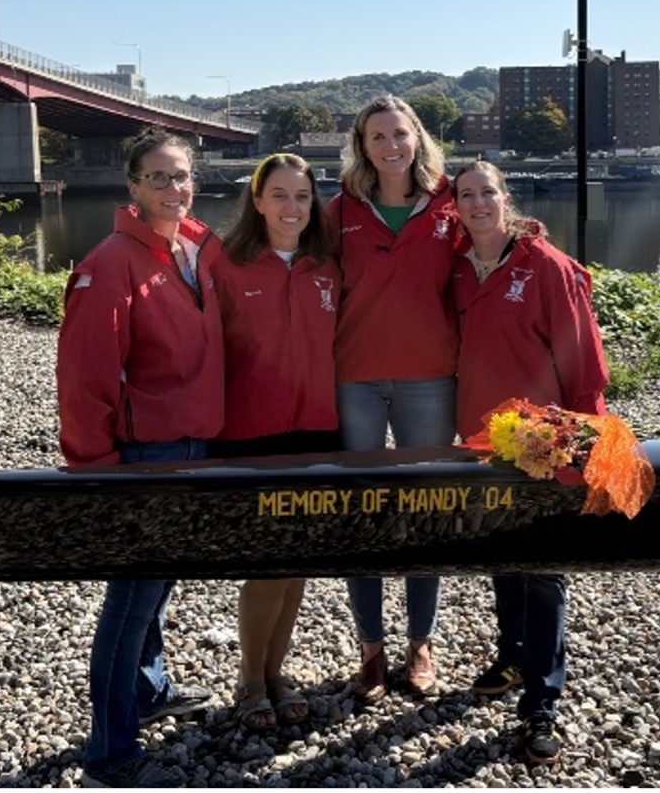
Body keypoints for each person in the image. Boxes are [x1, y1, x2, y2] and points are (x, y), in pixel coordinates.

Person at [57, 127, 226, 789]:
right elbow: (84, 375)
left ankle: (150, 690)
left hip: (192, 444)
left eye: (180, 175)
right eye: (156, 177)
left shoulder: (192, 248)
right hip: (146, 452)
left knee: (156, 590)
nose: (172, 188)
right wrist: (94, 469)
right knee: (130, 602)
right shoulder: (112, 262)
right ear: (132, 186)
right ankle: (110, 750)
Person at [450, 160, 610, 767]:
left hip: (546, 441)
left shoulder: (546, 266)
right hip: (485, 438)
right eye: (466, 195)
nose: (478, 203)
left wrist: (584, 441)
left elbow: (585, 362)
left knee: (543, 569)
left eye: (487, 191)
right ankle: (513, 652)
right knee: (503, 550)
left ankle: (543, 702)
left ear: (505, 196)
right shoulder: (461, 270)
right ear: (457, 206)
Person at [329, 95, 460, 700]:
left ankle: (421, 643)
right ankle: (371, 649)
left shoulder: (449, 204)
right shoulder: (340, 210)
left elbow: (495, 248)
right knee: (363, 513)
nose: (390, 146)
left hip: (428, 376)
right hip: (354, 375)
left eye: (399, 134)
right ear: (362, 145)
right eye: (377, 136)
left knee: (425, 510)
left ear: (417, 139)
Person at [210, 153, 342, 732]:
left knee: (297, 564)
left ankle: (277, 671)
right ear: (257, 201)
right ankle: (250, 678)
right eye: (281, 195)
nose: (293, 207)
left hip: (317, 427)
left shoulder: (328, 267)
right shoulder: (226, 265)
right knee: (267, 563)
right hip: (251, 432)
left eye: (304, 197)